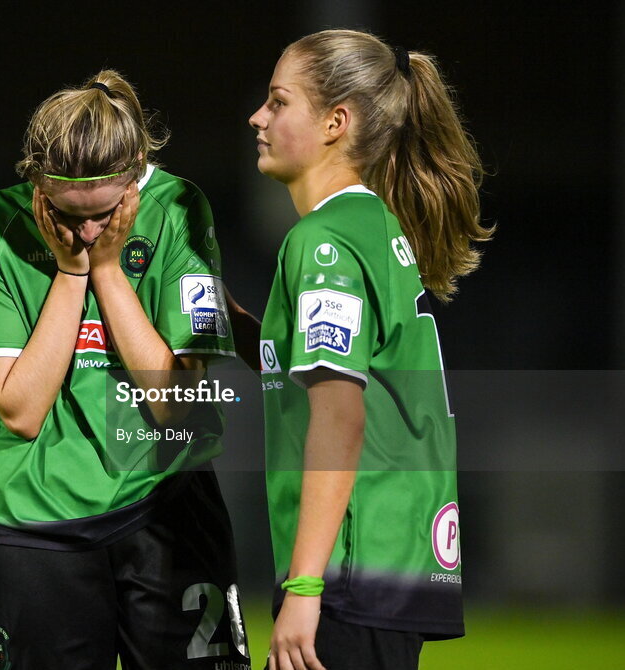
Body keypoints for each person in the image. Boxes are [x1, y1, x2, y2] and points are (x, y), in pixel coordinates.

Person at [0, 70, 250, 670]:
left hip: (168, 506)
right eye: (66, 214)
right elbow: (21, 410)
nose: (86, 232)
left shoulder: (179, 209)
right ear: (36, 180)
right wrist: (71, 272)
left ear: (137, 169)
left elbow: (178, 406)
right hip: (37, 526)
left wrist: (109, 270)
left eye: (105, 214)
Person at [242, 29, 493, 670]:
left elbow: (340, 414)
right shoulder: (376, 226)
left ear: (335, 122)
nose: (258, 117)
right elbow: (328, 374)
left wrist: (303, 587)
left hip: (347, 571)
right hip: (394, 559)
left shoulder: (323, 241)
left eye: (278, 102)